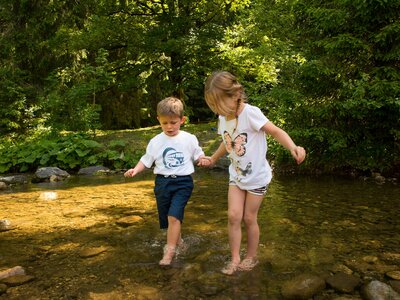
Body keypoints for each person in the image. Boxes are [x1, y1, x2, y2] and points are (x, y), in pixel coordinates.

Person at [200, 71, 306, 275]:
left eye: (219, 105)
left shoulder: (251, 113)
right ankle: (234, 258)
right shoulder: (223, 118)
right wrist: (213, 158)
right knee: (233, 216)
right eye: (213, 106)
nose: (217, 110)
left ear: (236, 94)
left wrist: (293, 147)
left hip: (257, 176)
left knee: (249, 218)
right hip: (237, 175)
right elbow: (227, 140)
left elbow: (275, 131)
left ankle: (251, 256)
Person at [124, 97, 210, 266]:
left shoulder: (189, 138)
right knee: (168, 219)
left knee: (173, 216)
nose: (169, 127)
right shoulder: (156, 141)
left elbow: (198, 153)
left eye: (173, 122)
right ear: (158, 120)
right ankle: (180, 243)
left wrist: (202, 159)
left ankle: (169, 252)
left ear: (182, 120)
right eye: (165, 123)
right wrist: (136, 169)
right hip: (162, 183)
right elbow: (146, 160)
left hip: (183, 182)